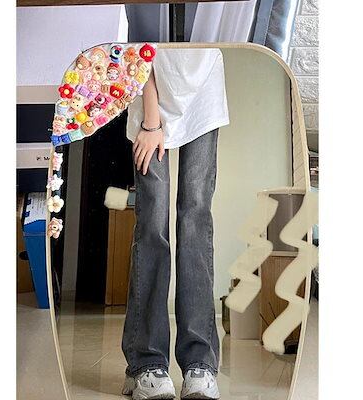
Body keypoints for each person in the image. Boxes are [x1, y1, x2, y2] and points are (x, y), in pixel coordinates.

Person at [122, 48, 230, 400]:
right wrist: (151, 122)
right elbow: (138, 44)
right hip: (148, 91)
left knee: (195, 219)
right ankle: (145, 362)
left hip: (204, 91)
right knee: (153, 221)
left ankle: (199, 363)